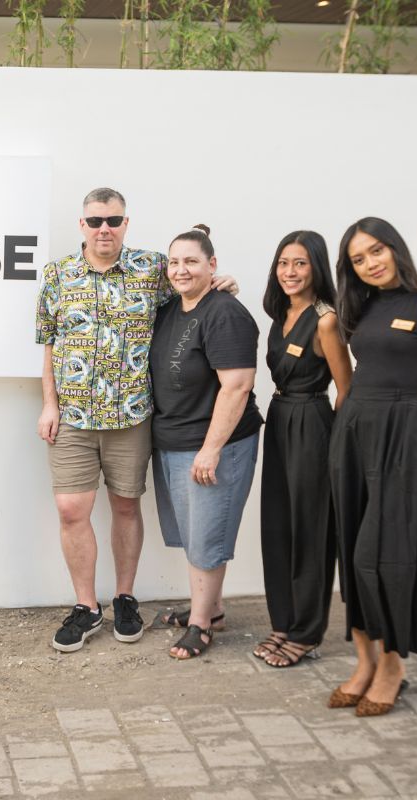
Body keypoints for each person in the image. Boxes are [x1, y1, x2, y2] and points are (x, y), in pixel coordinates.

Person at [35, 189, 236, 652]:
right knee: (71, 510)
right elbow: (49, 342)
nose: (104, 228)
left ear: (126, 223)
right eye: (95, 220)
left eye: (113, 219)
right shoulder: (58, 275)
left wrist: (222, 281)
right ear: (82, 225)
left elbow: (192, 288)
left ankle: (125, 598)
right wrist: (49, 404)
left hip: (131, 416)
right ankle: (86, 606)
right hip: (73, 417)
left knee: (126, 507)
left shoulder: (152, 269)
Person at [327, 218, 417, 716]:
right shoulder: (360, 306)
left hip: (407, 432)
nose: (370, 263)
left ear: (396, 248)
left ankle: (392, 666)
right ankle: (364, 662)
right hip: (354, 432)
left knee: (382, 557)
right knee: (351, 552)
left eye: (377, 251)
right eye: (358, 259)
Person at [149, 226, 263, 660]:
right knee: (195, 536)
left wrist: (212, 449)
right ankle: (209, 609)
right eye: (174, 262)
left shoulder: (225, 314)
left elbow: (237, 386)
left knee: (208, 536)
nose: (181, 270)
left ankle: (201, 626)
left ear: (212, 265)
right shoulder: (170, 309)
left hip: (214, 445)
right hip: (175, 441)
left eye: (192, 261)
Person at [256, 232, 352, 668]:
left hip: (312, 422)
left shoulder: (326, 320)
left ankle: (306, 633)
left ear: (316, 267)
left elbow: (346, 389)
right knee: (277, 526)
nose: (289, 272)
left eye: (300, 263)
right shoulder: (281, 313)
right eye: (283, 263)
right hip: (279, 419)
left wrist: (337, 443)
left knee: (310, 531)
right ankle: (283, 622)